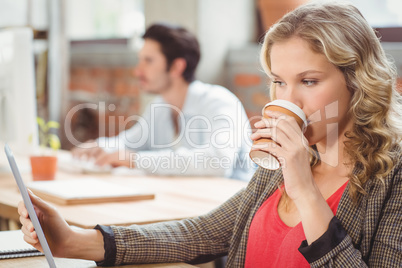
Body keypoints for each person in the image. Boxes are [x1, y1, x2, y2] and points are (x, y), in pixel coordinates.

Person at [19, 2, 402, 267]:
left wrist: (304, 190)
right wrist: (74, 240)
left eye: (309, 81)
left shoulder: (392, 178)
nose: (289, 100)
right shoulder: (280, 167)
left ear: (357, 81)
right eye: (279, 82)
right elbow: (202, 233)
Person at [71, 23, 254, 181]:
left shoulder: (219, 102)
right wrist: (98, 147)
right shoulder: (160, 107)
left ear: (176, 66)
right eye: (139, 60)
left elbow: (217, 162)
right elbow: (129, 142)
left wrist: (135, 160)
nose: (138, 71)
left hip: (231, 212)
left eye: (148, 61)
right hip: (187, 204)